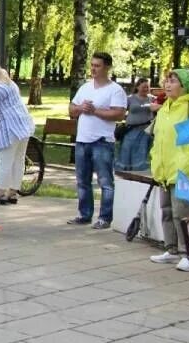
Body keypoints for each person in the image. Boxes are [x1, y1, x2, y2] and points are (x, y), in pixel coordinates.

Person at [146, 69, 189, 271]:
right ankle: (171, 250)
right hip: (164, 169)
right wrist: (156, 161)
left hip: (184, 170)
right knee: (166, 211)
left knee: (184, 214)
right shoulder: (164, 109)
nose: (168, 84)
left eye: (173, 81)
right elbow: (159, 138)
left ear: (184, 85)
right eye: (167, 80)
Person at [66, 52, 127, 229]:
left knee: (105, 181)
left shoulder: (115, 90)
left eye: (97, 65)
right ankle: (85, 214)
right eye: (92, 65)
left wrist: (95, 111)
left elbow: (119, 113)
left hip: (102, 141)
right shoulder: (85, 87)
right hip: (82, 140)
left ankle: (105, 217)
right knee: (82, 180)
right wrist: (79, 108)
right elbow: (71, 109)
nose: (93, 69)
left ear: (107, 67)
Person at [0, 63, 34, 205]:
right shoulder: (9, 82)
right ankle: (13, 191)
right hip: (23, 124)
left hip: (8, 127)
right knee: (18, 160)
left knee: (4, 161)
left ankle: (0, 192)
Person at [116, 78, 157, 172]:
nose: (145, 89)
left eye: (147, 87)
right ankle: (124, 173)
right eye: (143, 87)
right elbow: (121, 111)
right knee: (127, 149)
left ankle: (140, 172)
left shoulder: (152, 99)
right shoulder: (129, 99)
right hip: (130, 130)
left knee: (142, 152)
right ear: (137, 87)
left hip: (146, 131)